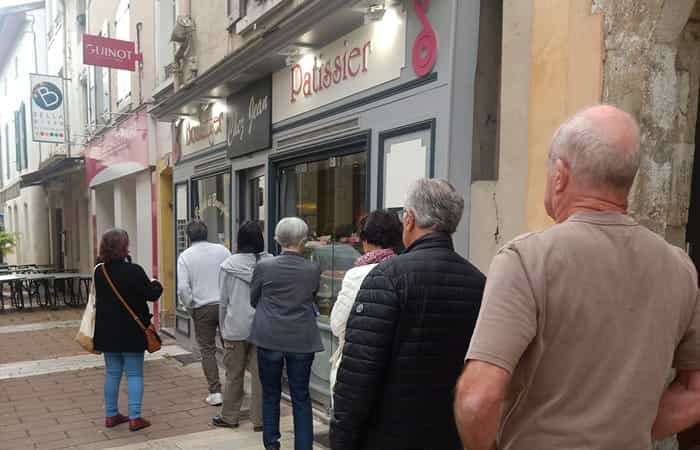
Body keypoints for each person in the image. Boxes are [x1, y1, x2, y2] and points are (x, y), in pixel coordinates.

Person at [454, 105, 700, 450]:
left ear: (560, 175)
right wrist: (631, 428)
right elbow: (694, 392)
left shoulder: (527, 260)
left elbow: (477, 398)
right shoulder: (679, 267)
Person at [330, 179, 486, 450]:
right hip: (450, 435)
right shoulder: (479, 282)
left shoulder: (387, 278)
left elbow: (358, 375)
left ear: (410, 220)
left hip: (390, 434)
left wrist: (342, 439)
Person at [249, 217, 323, 450]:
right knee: (301, 395)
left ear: (277, 239)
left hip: (269, 335)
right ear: (303, 240)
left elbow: (254, 299)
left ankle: (272, 444)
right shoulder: (313, 268)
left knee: (270, 393)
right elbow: (312, 297)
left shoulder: (264, 266)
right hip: (301, 337)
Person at [93, 228, 163, 432]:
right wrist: (156, 284)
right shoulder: (134, 271)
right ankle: (134, 417)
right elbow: (151, 294)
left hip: (107, 331)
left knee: (112, 373)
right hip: (132, 331)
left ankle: (111, 415)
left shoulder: (99, 271)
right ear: (124, 247)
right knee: (134, 374)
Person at [329, 210, 402, 395]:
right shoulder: (405, 269)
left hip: (357, 364)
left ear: (366, 239)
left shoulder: (356, 275)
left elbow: (337, 324)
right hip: (394, 368)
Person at [212, 221, 269, 430]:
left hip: (235, 326)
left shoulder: (228, 265)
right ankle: (260, 420)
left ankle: (229, 417)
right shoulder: (270, 262)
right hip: (263, 326)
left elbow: (224, 301)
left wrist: (222, 327)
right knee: (260, 376)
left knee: (233, 374)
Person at [177, 220, 231, 406]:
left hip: (202, 307)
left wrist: (190, 305)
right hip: (224, 304)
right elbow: (231, 275)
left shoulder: (185, 256)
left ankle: (216, 392)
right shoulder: (222, 250)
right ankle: (234, 387)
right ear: (207, 233)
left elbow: (183, 288)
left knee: (207, 349)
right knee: (230, 346)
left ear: (188, 236)